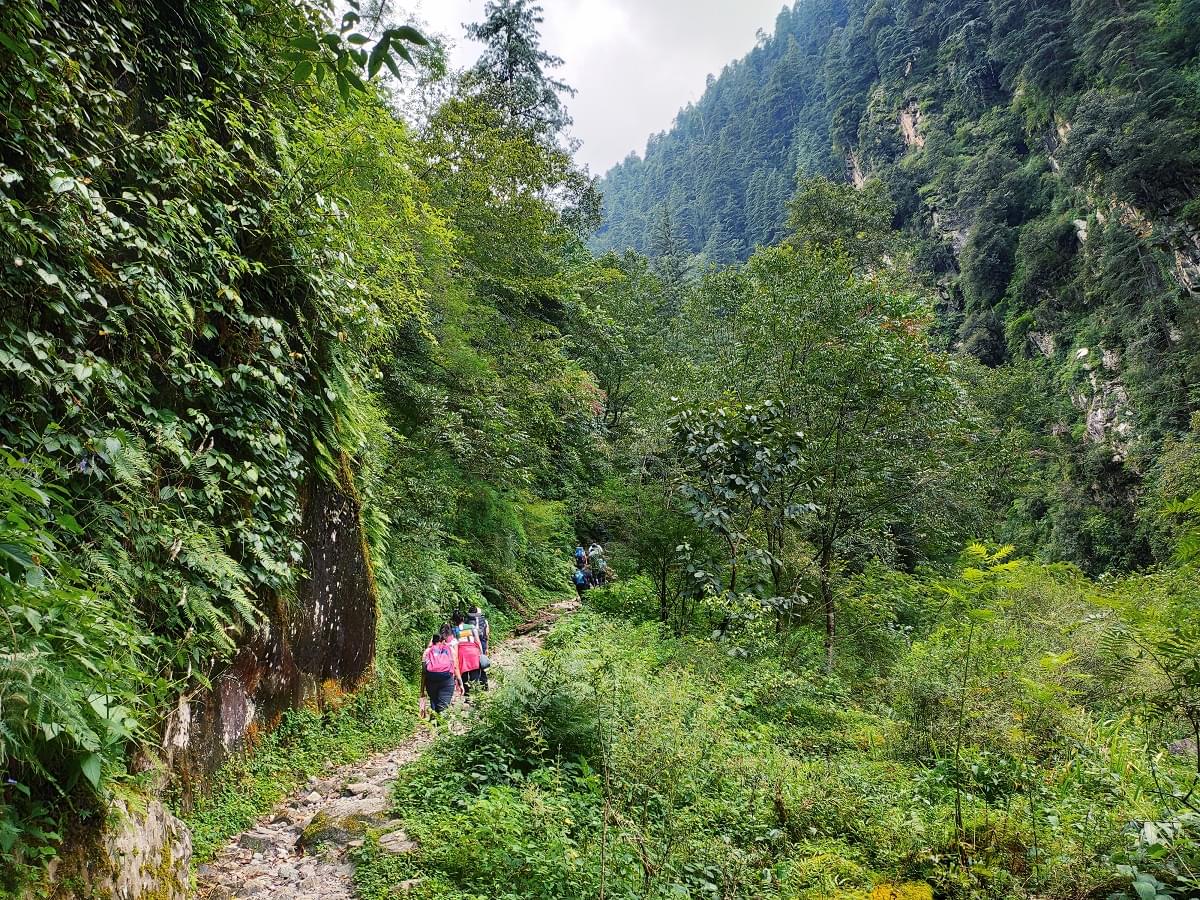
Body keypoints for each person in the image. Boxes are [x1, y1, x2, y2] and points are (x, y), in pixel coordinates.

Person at [420, 630, 460, 716]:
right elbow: (455, 667)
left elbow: (424, 673)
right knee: (443, 707)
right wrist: (460, 682)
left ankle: (434, 722)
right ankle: (442, 726)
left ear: (432, 641)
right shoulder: (450, 650)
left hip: (431, 681)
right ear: (443, 641)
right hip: (447, 681)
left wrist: (422, 690)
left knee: (434, 703)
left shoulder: (427, 651)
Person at [455, 616, 488, 697]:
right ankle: (476, 695)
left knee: (464, 675)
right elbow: (477, 641)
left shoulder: (454, 630)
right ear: (463, 619)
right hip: (473, 652)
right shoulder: (472, 627)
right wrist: (481, 653)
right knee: (475, 673)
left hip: (462, 654)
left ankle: (467, 696)